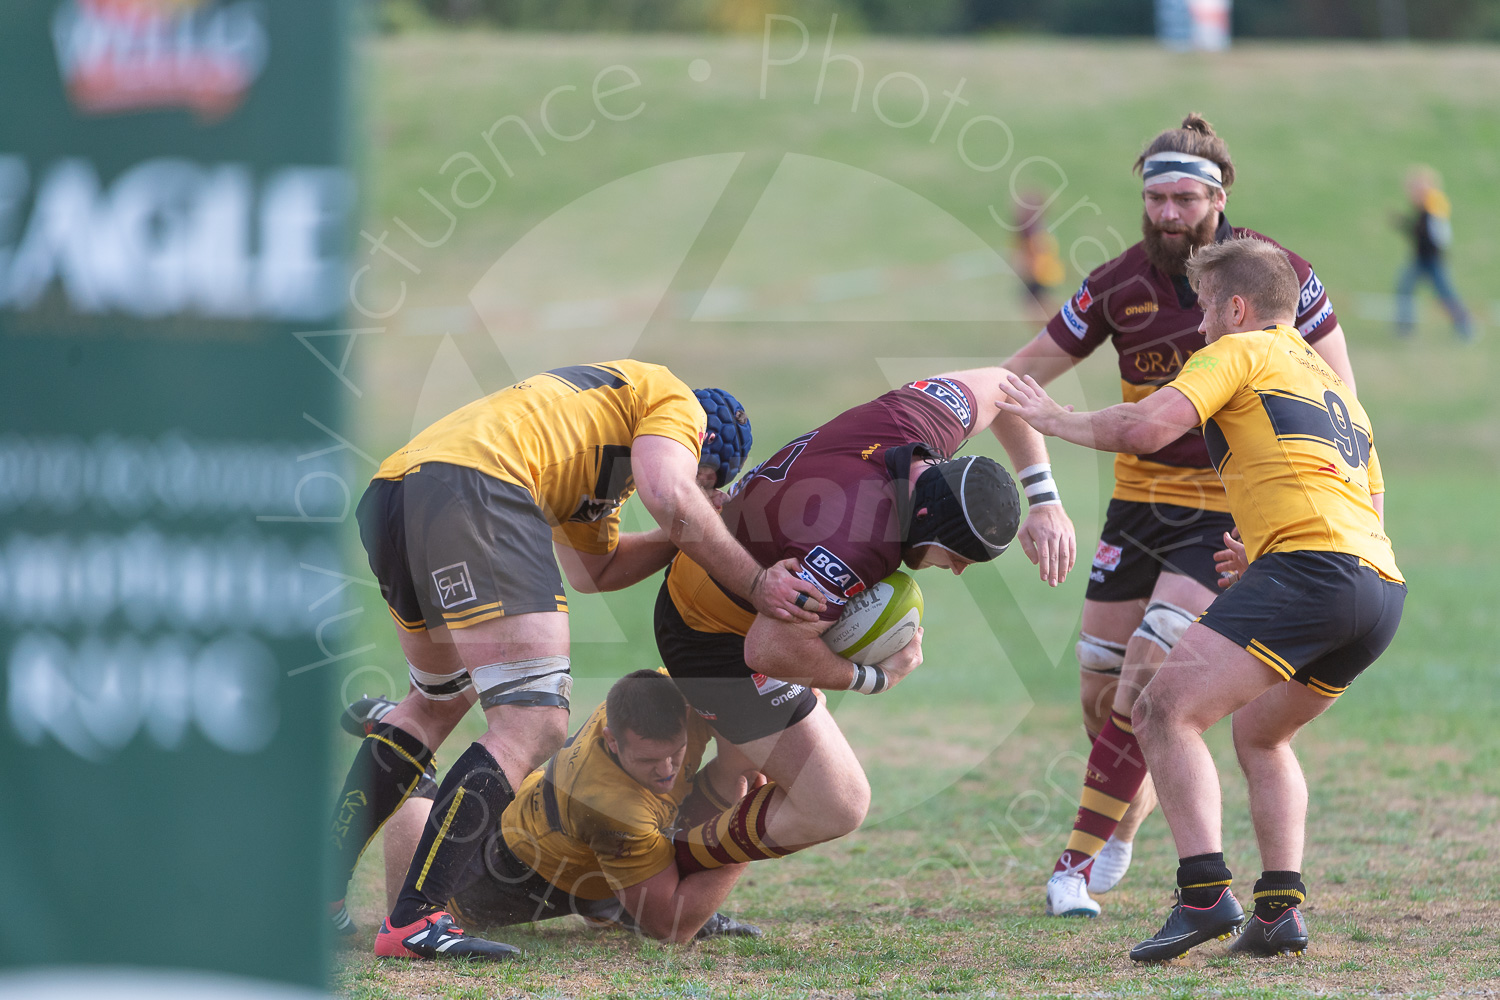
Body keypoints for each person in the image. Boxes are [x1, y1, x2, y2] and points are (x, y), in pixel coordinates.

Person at [326, 360, 826, 961]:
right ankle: (416, 919)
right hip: (481, 487)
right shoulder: (675, 403)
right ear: (699, 449)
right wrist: (751, 578)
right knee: (533, 721)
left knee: (434, 704)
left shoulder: (598, 458)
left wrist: (693, 531)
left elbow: (598, 570)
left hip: (398, 494)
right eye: (704, 476)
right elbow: (671, 494)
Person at [998, 236, 1405, 961]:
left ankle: (1204, 895)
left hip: (1312, 575)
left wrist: (1053, 419)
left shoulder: (1240, 349)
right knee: (1261, 735)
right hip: (1375, 588)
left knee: (1160, 707)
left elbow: (1150, 428)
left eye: (1209, 307)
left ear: (1238, 307)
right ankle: (1279, 909)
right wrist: (1268, 553)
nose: (1200, 325)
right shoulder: (1332, 386)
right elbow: (1363, 497)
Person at [651, 367, 1077, 883]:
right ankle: (663, 863)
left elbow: (1007, 387)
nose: (960, 570)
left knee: (753, 766)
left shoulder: (923, 424)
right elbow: (768, 651)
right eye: (959, 556)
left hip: (729, 580)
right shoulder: (853, 544)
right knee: (834, 804)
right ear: (926, 525)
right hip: (708, 632)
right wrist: (874, 678)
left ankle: (666, 840)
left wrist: (1045, 499)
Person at [353, 672, 763, 953]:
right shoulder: (612, 805)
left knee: (633, 859)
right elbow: (672, 928)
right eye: (650, 760)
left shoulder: (652, 696)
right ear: (614, 742)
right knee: (408, 905)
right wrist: (747, 840)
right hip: (511, 865)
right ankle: (412, 762)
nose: (668, 769)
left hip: (553, 823)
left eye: (676, 753)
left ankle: (612, 904)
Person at [1394, 165, 1473, 340]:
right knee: (1405, 288)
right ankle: (1405, 328)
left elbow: (1435, 235)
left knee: (1445, 293)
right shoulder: (1425, 208)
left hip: (1432, 260)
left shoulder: (1434, 206)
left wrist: (1408, 226)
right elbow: (1420, 232)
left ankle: (1466, 327)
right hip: (1421, 259)